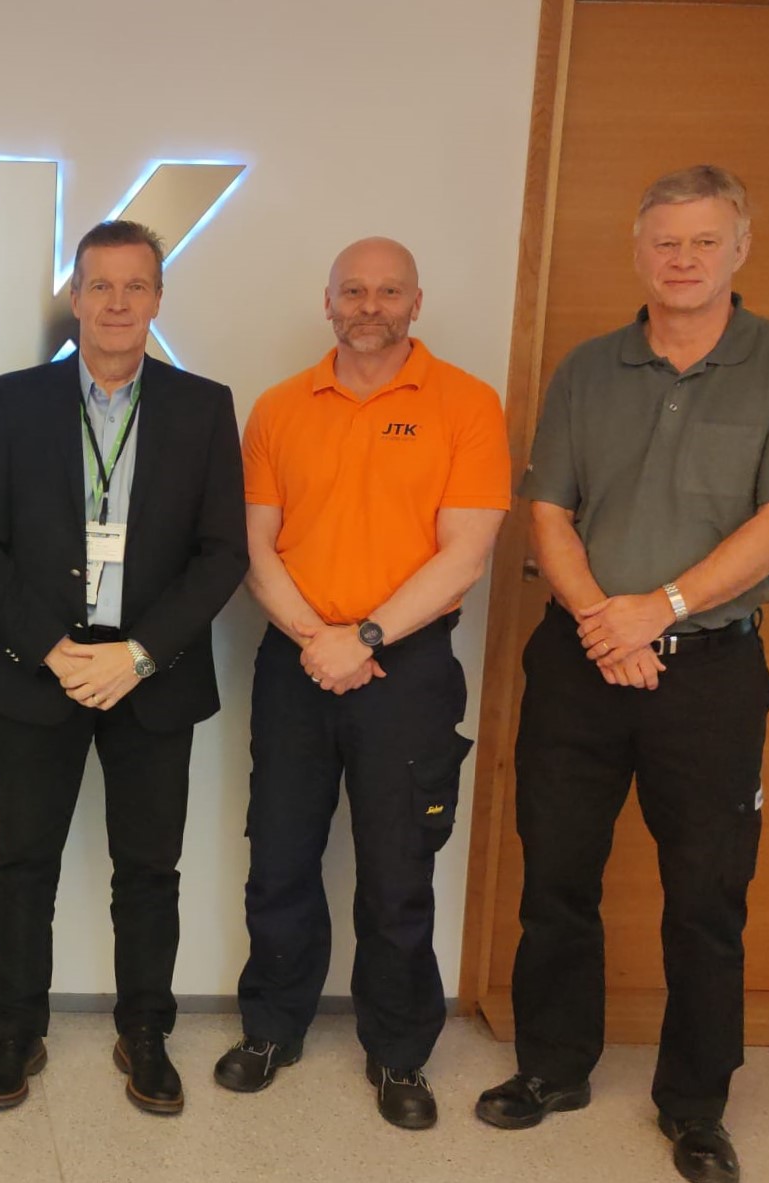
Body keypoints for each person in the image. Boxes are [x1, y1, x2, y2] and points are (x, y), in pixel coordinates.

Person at [474, 166, 769, 1183]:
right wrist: (605, 622)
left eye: (703, 241)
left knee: (707, 895)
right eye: (665, 242)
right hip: (579, 663)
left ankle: (695, 1103)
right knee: (555, 876)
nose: (682, 260)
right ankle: (551, 1068)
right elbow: (548, 510)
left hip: (710, 673)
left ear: (738, 249)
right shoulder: (588, 369)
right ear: (637, 252)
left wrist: (660, 608)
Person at [0, 219, 248, 1115]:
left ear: (157, 298)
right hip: (36, 667)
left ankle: (145, 1034)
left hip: (151, 675)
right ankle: (14, 1035)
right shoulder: (12, 401)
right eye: (100, 285)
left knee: (149, 869)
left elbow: (222, 553)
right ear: (74, 297)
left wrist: (139, 654)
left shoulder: (203, 406)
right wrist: (52, 646)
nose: (117, 303)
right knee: (22, 865)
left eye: (135, 285)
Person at [217, 237, 509, 1129]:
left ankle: (398, 1051)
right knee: (278, 858)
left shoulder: (466, 403)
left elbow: (466, 549)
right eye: (353, 291)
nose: (368, 306)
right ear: (328, 302)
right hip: (296, 660)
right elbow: (254, 545)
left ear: (416, 302)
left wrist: (367, 636)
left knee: (396, 869)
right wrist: (319, 640)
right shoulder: (278, 407)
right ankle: (272, 1027)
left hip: (407, 667)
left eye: (387, 291)